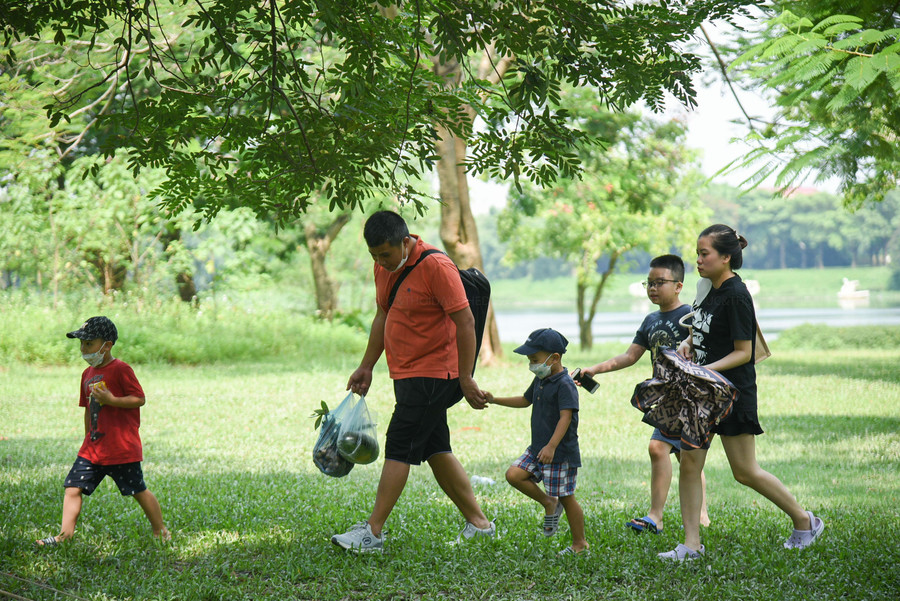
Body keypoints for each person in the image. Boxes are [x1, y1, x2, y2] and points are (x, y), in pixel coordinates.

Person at [331, 210, 493, 553]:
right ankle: (480, 524)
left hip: (436, 374)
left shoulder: (436, 266)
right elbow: (383, 314)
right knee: (435, 447)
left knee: (400, 444)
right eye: (374, 255)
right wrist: (367, 365)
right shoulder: (383, 266)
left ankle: (372, 532)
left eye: (385, 254)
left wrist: (465, 378)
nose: (380, 262)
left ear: (405, 242)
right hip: (405, 372)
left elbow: (465, 322)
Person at [661, 225, 824, 561]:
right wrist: (688, 344)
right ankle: (691, 546)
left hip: (733, 393)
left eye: (705, 254)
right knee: (690, 463)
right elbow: (701, 327)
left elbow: (742, 352)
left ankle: (805, 521)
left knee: (745, 471)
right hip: (701, 392)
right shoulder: (708, 288)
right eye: (698, 253)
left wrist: (705, 369)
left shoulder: (737, 295)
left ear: (725, 257)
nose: (698, 259)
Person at [577, 255, 710, 536]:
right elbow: (630, 356)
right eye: (648, 283)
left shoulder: (690, 315)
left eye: (659, 282)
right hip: (665, 398)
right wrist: (595, 370)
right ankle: (657, 516)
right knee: (661, 449)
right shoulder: (650, 320)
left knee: (688, 457)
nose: (652, 288)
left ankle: (698, 514)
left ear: (678, 285)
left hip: (690, 397)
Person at [36, 316, 169, 546]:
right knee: (72, 487)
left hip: (121, 447)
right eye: (82, 344)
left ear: (106, 346)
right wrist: (87, 437)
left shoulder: (121, 369)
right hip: (93, 447)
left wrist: (111, 399)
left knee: (138, 490)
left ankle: (161, 531)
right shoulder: (86, 375)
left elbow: (139, 399)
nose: (84, 349)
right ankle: (65, 536)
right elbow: (88, 409)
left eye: (89, 344)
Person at [485, 328, 588, 555]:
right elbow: (524, 400)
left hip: (559, 452)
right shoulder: (541, 378)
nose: (532, 365)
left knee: (567, 498)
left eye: (535, 360)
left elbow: (566, 417)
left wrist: (551, 446)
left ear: (555, 358)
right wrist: (494, 400)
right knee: (514, 474)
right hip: (538, 448)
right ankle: (549, 503)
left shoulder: (565, 384)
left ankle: (579, 543)